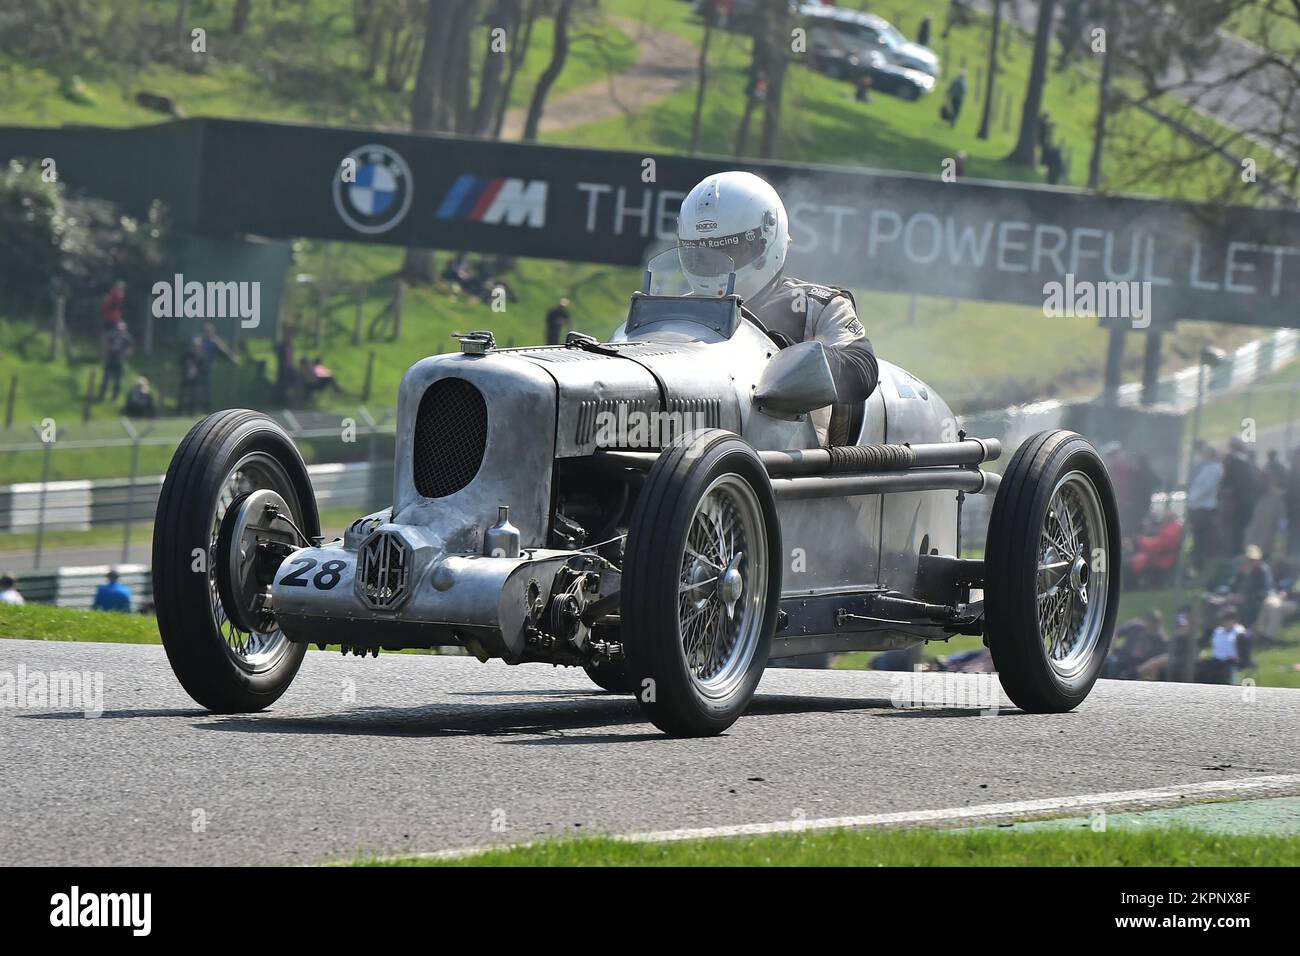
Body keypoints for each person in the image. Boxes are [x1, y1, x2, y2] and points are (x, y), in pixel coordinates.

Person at [673, 170, 878, 445]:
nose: (715, 265)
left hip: (784, 465)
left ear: (768, 238)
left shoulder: (817, 305)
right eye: (701, 253)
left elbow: (861, 367)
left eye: (729, 251)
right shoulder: (674, 312)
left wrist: (792, 360)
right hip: (682, 450)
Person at [1219, 436, 1259, 557]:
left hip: (1237, 502)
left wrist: (1225, 491)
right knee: (1241, 530)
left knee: (1234, 530)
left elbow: (1229, 483)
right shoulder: (1249, 462)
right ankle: (1237, 552)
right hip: (1248, 501)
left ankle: (1233, 554)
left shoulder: (1234, 462)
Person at [1186, 442, 1222, 572]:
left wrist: (1193, 500)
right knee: (1197, 536)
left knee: (1201, 537)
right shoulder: (1206, 467)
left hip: (1203, 507)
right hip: (1197, 506)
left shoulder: (1215, 468)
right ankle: (1196, 560)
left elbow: (1206, 488)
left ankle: (1199, 562)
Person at [197, 323, 237, 410]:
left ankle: (205, 408)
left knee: (206, 390)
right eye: (206, 331)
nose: (207, 333)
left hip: (206, 368)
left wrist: (232, 358)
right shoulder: (199, 341)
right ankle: (193, 408)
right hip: (196, 368)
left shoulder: (214, 342)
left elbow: (223, 352)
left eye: (209, 332)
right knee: (196, 389)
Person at [1204, 606, 1243, 684]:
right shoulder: (1217, 632)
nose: (1225, 622)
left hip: (1232, 662)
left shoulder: (1239, 632)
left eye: (1228, 619)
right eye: (1224, 620)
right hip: (1217, 661)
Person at [99, 320, 133, 401]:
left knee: (118, 380)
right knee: (106, 377)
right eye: (118, 329)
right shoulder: (111, 336)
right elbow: (106, 344)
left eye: (121, 329)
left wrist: (124, 353)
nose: (119, 331)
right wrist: (109, 348)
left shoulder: (127, 338)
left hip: (119, 361)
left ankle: (115, 397)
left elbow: (131, 349)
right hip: (110, 359)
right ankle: (102, 394)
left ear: (125, 329)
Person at [178, 337, 204, 415]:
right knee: (183, 395)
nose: (195, 348)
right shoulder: (187, 355)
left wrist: (196, 371)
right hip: (186, 378)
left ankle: (192, 412)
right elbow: (181, 362)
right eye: (194, 346)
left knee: (194, 396)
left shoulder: (201, 356)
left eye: (197, 346)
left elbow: (203, 367)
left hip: (196, 379)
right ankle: (180, 412)